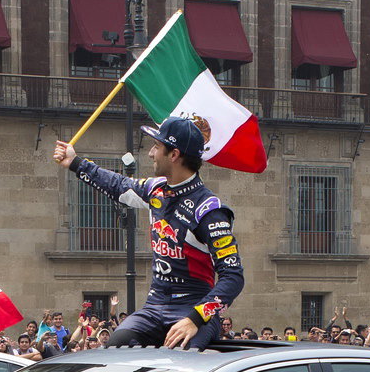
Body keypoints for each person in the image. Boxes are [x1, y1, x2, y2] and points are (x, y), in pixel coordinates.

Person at [52, 116, 243, 350]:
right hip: (154, 307)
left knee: (184, 355)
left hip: (194, 309)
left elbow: (233, 277)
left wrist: (196, 318)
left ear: (174, 155)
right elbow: (118, 184)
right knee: (115, 348)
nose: (151, 153)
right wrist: (75, 163)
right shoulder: (155, 190)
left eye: (157, 147)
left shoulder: (209, 211)